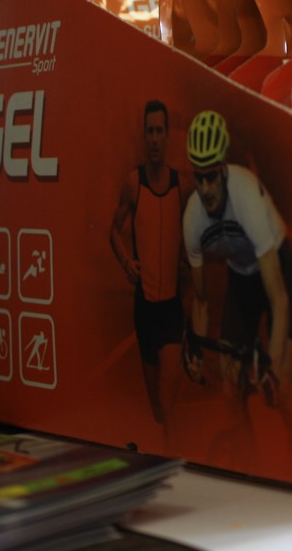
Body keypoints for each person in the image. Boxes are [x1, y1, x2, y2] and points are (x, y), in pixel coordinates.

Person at [180, 109, 292, 467]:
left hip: (276, 263)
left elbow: (279, 300)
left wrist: (274, 363)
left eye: (210, 176)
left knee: (281, 389)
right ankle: (248, 458)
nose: (205, 188)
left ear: (222, 170)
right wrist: (198, 351)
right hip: (241, 275)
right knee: (229, 386)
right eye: (197, 177)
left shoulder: (246, 196)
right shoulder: (192, 219)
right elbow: (201, 301)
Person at [109, 100, 188, 438]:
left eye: (159, 131)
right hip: (144, 310)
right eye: (150, 131)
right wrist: (127, 262)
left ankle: (177, 458)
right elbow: (114, 231)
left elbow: (194, 229)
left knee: (168, 407)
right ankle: (167, 450)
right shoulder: (133, 183)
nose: (155, 138)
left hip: (171, 309)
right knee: (157, 408)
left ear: (167, 135)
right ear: (144, 136)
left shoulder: (181, 185)